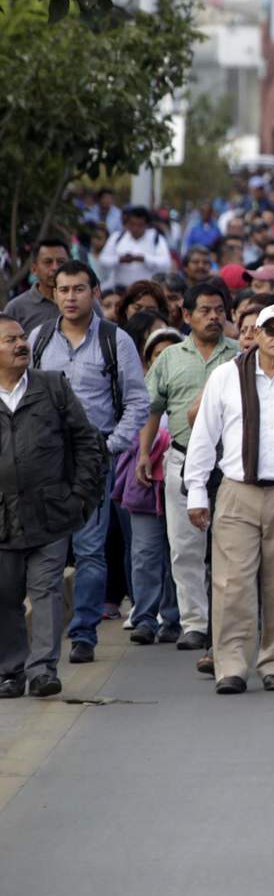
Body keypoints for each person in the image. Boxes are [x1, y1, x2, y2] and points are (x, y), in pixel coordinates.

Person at [183, 304, 274, 694]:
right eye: (271, 331)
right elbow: (204, 435)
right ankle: (231, 666)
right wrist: (197, 491)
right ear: (258, 334)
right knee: (232, 584)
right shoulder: (227, 376)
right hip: (237, 491)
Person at [28, 261, 150, 664]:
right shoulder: (39, 340)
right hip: (46, 460)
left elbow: (137, 401)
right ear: (53, 293)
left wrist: (112, 446)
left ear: (95, 292)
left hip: (95, 456)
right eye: (63, 290)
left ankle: (83, 634)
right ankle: (45, 643)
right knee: (48, 551)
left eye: (79, 289)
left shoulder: (115, 341)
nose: (70, 297)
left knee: (91, 550)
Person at [0, 314, 107, 698]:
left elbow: (87, 442)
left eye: (20, 338)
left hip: (51, 511)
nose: (20, 344)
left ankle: (42, 669)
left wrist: (79, 495)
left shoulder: (51, 386)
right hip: (3, 518)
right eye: (9, 340)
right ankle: (9, 670)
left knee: (45, 590)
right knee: (5, 594)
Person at [136, 281, 240, 653]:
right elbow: (152, 408)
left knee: (231, 550)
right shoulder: (169, 358)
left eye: (219, 310)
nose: (213, 317)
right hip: (181, 458)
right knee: (185, 548)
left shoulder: (242, 355)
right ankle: (194, 623)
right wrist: (144, 453)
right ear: (186, 315)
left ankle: (229, 623)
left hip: (231, 464)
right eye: (205, 311)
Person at [114, 327, 183, 644]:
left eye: (170, 354)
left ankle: (173, 618)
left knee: (176, 553)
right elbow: (126, 435)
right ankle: (144, 618)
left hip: (181, 483)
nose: (163, 360)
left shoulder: (192, 393)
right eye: (157, 355)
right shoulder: (135, 395)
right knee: (144, 553)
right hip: (144, 485)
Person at [97, 206, 173, 288]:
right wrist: (119, 259)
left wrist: (144, 259)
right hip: (120, 288)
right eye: (132, 224)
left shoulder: (156, 239)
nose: (135, 228)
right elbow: (102, 260)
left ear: (147, 225)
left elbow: (166, 263)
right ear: (128, 223)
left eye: (140, 225)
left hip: (146, 290)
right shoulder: (117, 237)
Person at [5, 237, 69, 333]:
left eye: (61, 262)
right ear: (34, 269)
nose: (55, 267)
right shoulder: (16, 309)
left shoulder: (85, 302)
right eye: (48, 262)